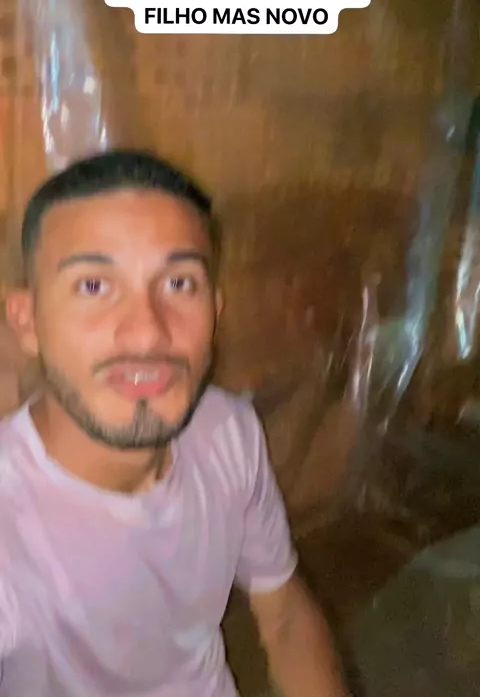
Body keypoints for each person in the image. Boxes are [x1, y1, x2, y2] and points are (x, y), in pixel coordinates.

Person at [0, 149, 347, 697]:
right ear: (28, 323)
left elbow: (282, 614)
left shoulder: (227, 432)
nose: (147, 332)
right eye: (93, 286)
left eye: (180, 284)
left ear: (216, 310)